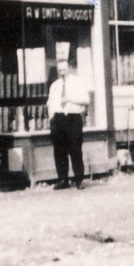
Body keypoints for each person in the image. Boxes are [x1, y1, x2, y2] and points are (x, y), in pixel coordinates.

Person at [46, 58, 89, 189]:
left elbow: (86, 100)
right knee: (59, 151)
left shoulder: (77, 82)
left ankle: (79, 180)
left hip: (72, 118)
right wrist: (51, 118)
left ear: (69, 68)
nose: (62, 72)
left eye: (64, 69)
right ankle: (62, 180)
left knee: (75, 149)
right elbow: (50, 103)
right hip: (58, 119)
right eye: (59, 70)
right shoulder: (55, 85)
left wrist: (70, 99)